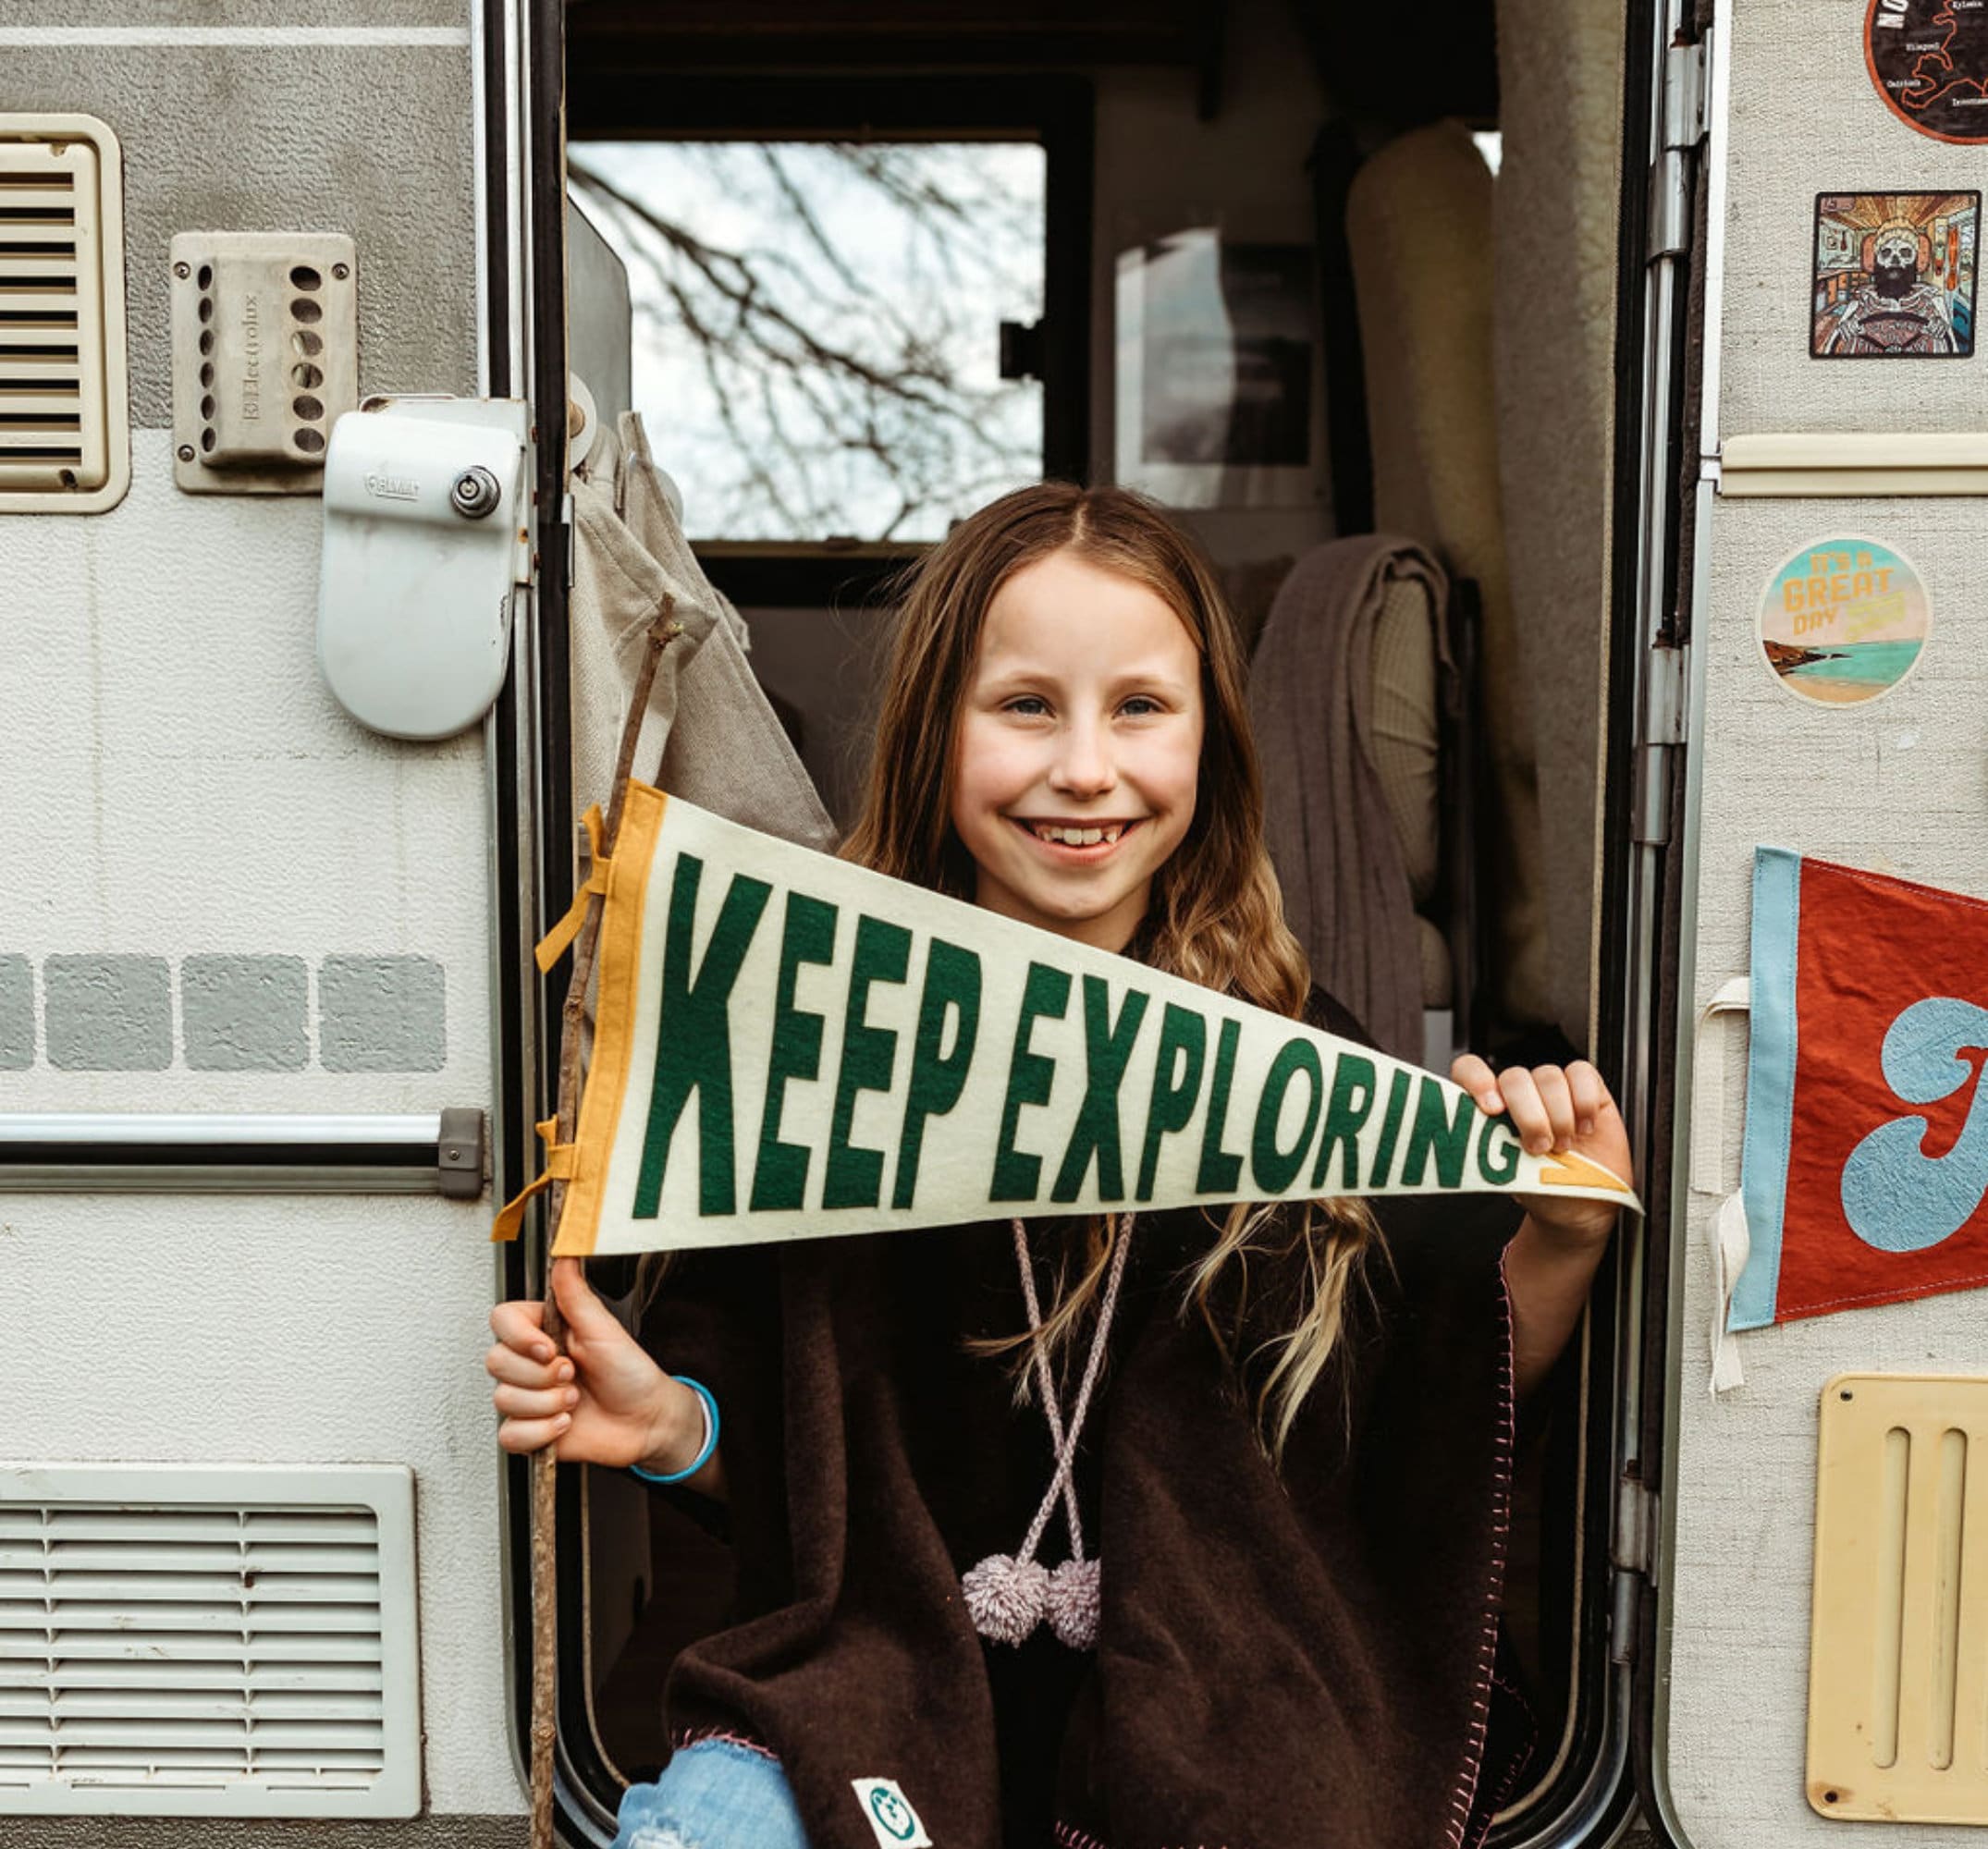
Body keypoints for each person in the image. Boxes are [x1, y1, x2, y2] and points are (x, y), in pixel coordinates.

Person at [485, 484, 1631, 1849]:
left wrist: (1562, 1236)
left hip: (1219, 1700)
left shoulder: (1294, 1059)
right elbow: (805, 1457)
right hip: (875, 1678)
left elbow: (1436, 1391)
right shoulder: (828, 1031)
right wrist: (677, 1432)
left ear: (1209, 743)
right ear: (936, 734)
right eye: (1026, 706)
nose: (1085, 770)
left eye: (1139, 708)